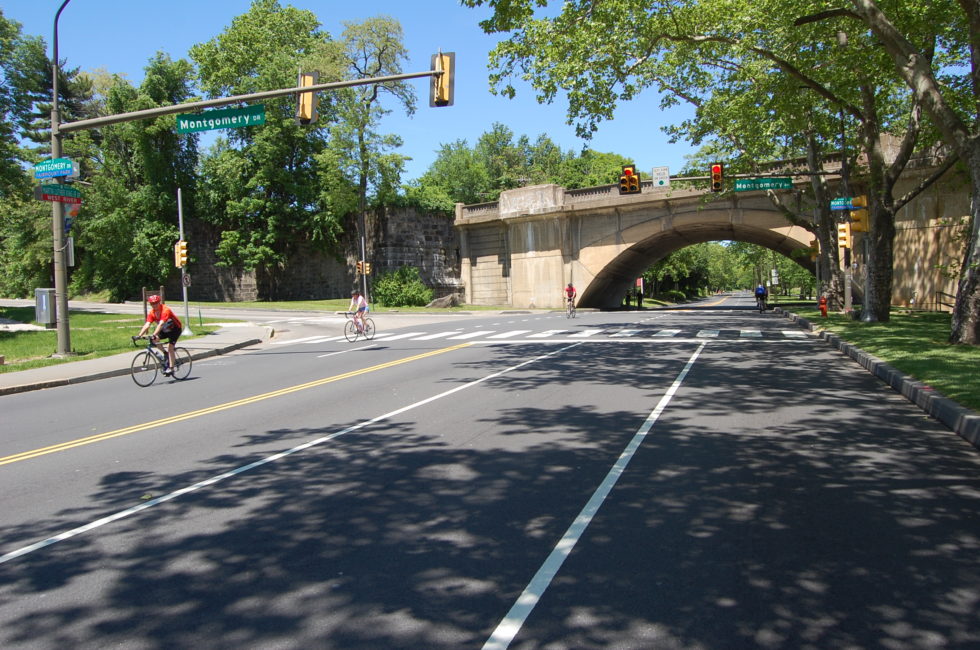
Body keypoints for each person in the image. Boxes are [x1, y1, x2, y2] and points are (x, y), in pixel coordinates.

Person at [137, 294, 182, 375]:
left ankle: (171, 368)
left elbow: (161, 324)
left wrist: (153, 334)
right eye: (152, 304)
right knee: (154, 339)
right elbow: (147, 324)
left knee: (170, 348)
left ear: (159, 302)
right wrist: (139, 335)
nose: (154, 305)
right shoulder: (152, 312)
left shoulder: (165, 310)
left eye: (156, 303)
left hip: (174, 330)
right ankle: (165, 354)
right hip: (164, 330)